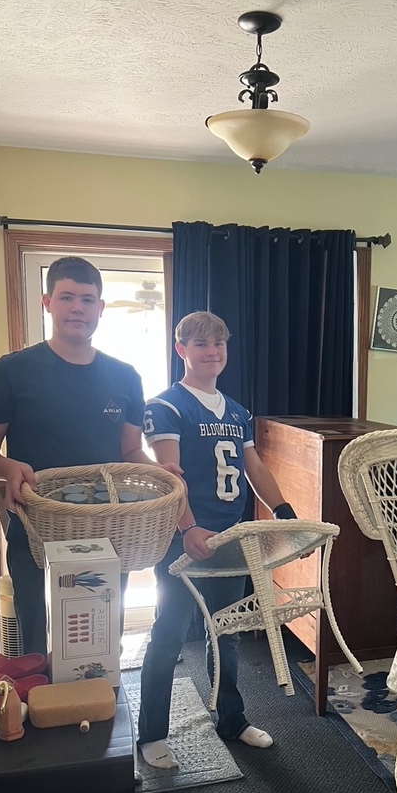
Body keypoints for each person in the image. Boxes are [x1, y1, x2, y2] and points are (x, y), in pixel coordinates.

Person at [0, 256, 177, 655]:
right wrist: (9, 466)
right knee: (35, 644)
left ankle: (97, 707)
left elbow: (130, 450)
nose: (77, 308)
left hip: (107, 533)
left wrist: (159, 470)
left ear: (100, 308)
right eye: (67, 298)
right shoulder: (9, 373)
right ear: (48, 302)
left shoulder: (126, 376)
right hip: (34, 531)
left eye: (87, 299)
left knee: (99, 644)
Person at [136, 311, 297, 769]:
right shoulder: (166, 406)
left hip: (230, 536)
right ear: (181, 349)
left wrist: (283, 511)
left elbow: (255, 467)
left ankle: (232, 718)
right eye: (201, 344)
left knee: (225, 633)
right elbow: (170, 475)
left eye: (219, 344)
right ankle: (152, 733)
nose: (212, 352)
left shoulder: (238, 410)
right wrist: (187, 527)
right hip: (183, 536)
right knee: (168, 634)